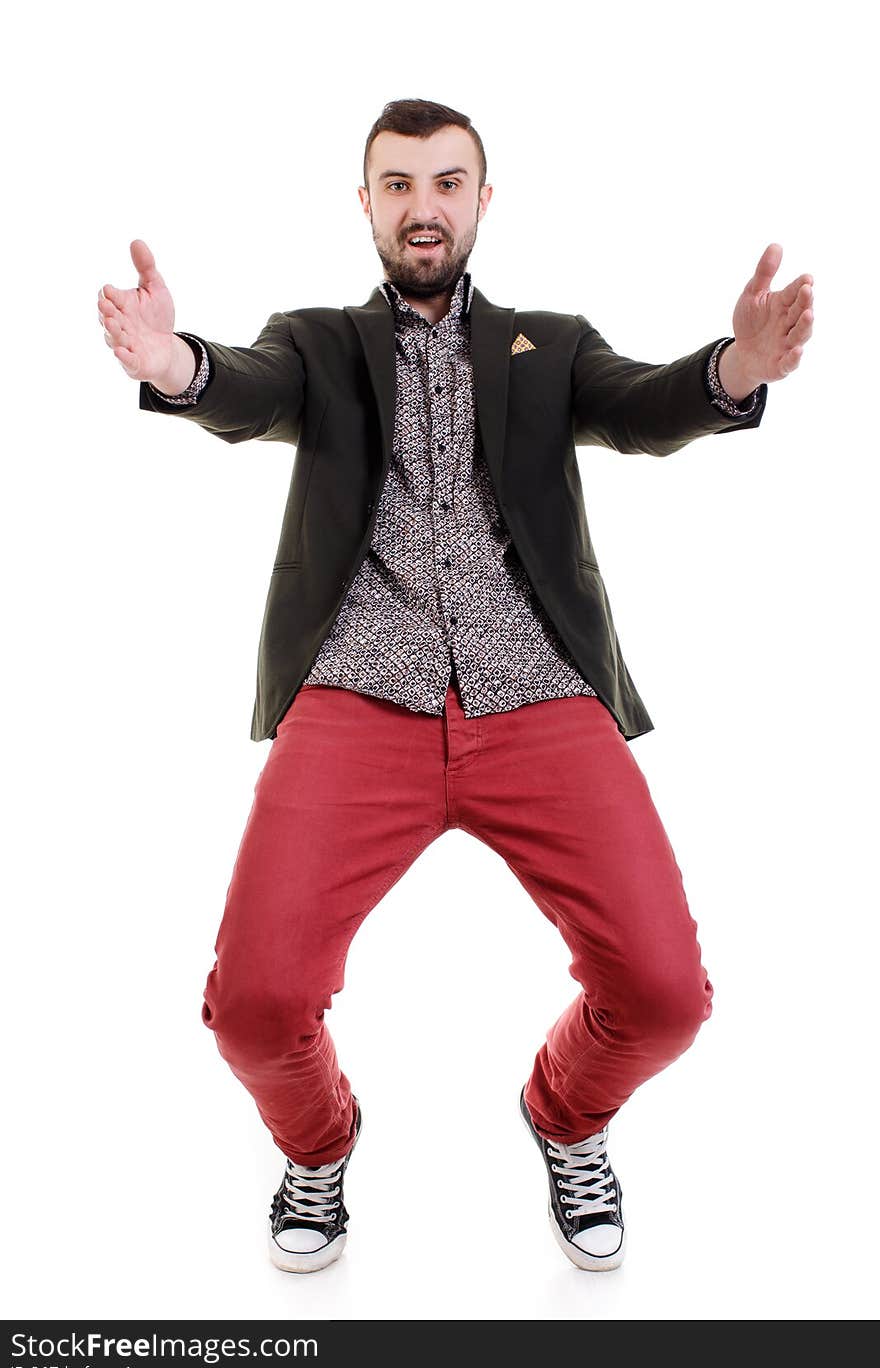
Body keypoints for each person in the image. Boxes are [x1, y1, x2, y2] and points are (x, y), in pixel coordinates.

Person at [98, 97, 814, 1276]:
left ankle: (564, 1116)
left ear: (484, 199)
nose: (421, 206)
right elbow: (247, 385)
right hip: (354, 698)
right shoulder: (321, 342)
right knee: (255, 1005)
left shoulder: (549, 343)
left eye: (445, 182)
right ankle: (319, 1145)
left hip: (539, 693)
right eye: (396, 184)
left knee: (667, 995)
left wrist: (736, 366)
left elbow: (642, 406)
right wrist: (173, 362)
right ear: (367, 203)